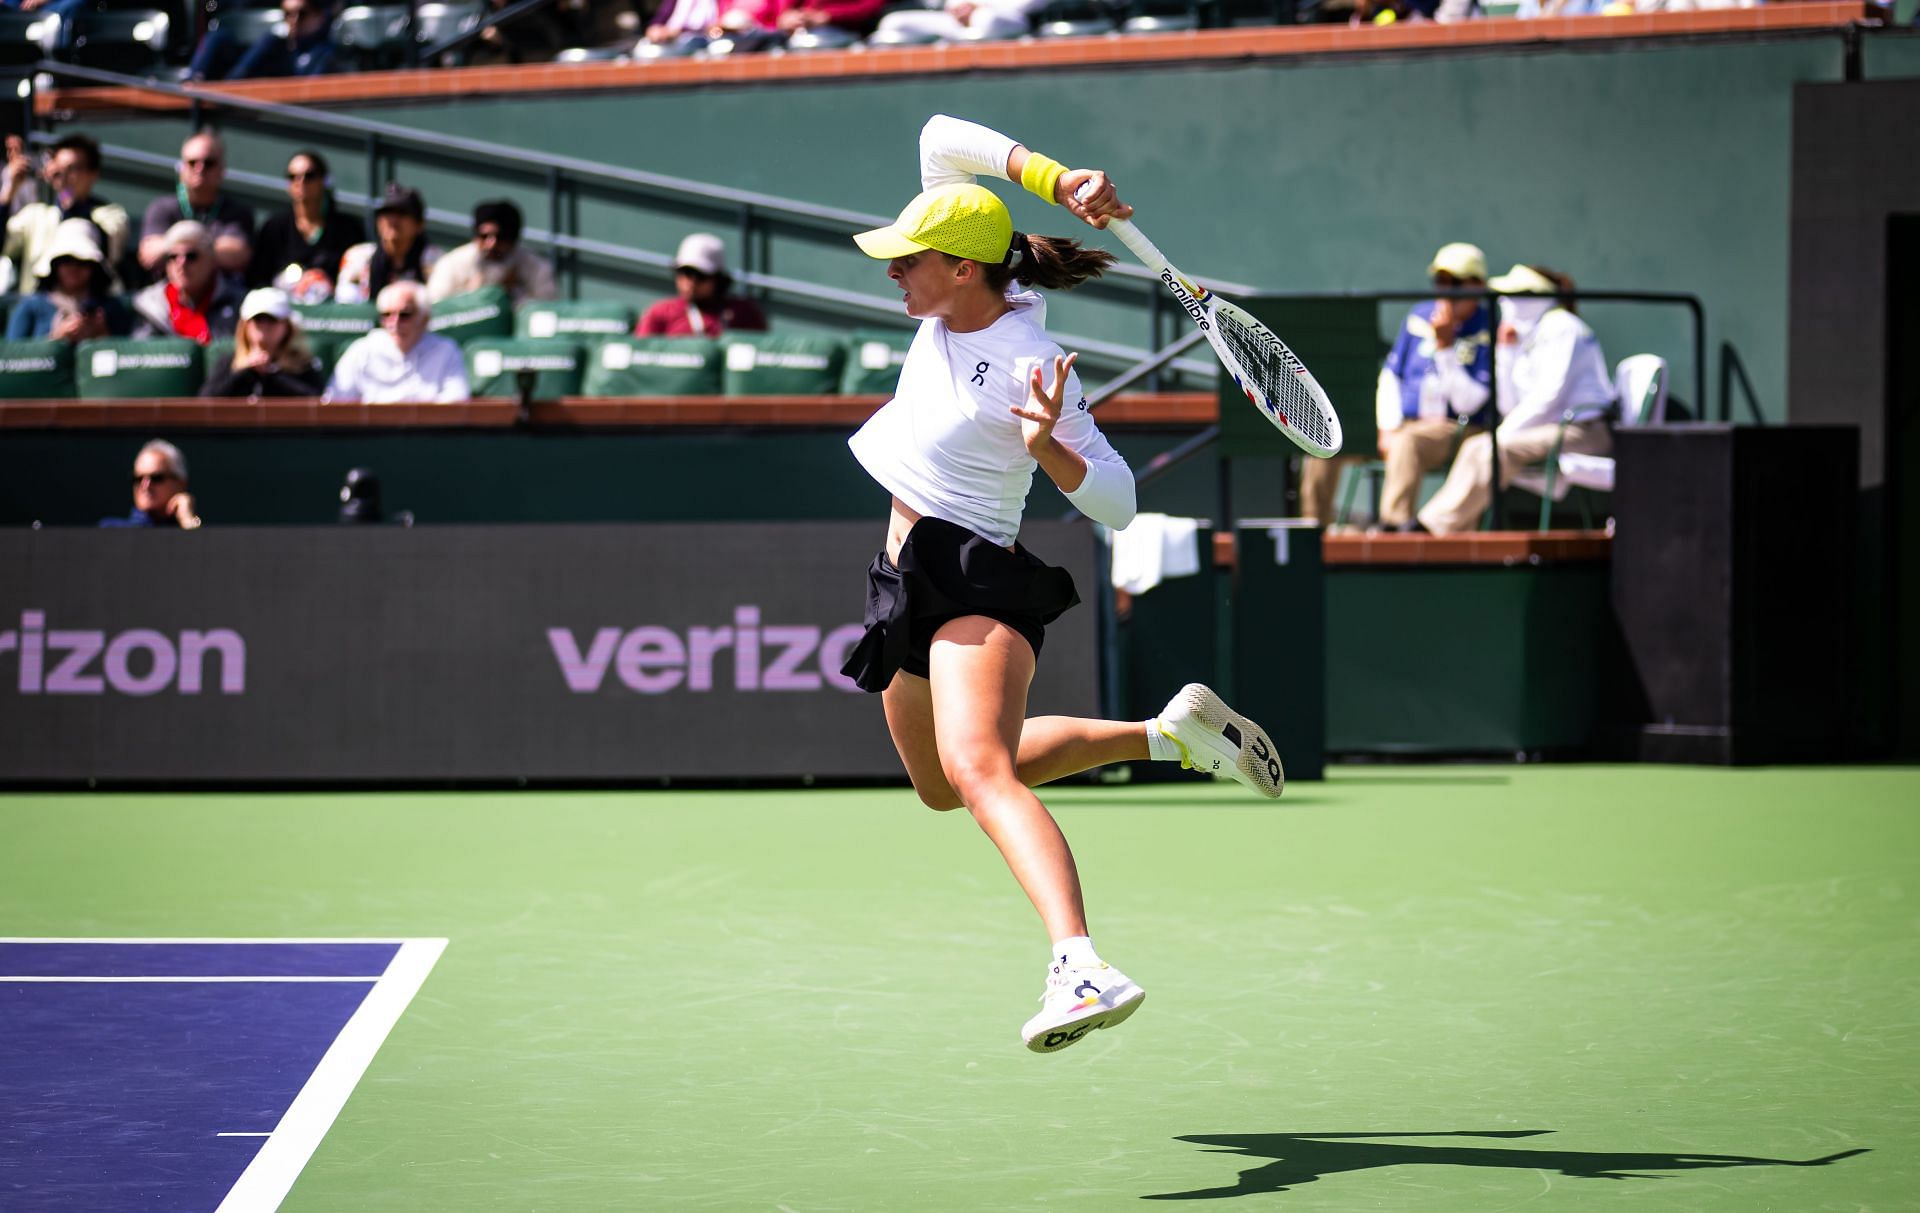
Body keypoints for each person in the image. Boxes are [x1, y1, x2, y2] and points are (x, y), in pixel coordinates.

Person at [841, 114, 1286, 1055]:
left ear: (964, 268)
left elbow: (1117, 501)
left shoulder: (1030, 363)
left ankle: (1079, 961)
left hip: (973, 579)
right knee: (940, 784)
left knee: (980, 770)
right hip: (901, 581)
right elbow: (936, 134)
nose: (892, 269)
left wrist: (1052, 452)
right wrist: (1056, 177)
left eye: (908, 258)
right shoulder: (949, 285)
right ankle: (1168, 737)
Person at [1301, 241, 1494, 530]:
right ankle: (1312, 531)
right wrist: (1388, 425)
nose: (1446, 291)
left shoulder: (1488, 326)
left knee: (1409, 441)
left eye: (1455, 282)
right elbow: (1391, 375)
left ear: (1477, 286)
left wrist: (1444, 347)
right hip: (1400, 424)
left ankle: (1393, 532)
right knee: (1327, 441)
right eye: (1440, 281)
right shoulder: (1419, 315)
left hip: (1455, 427)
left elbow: (1469, 402)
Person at [1416, 264, 1615, 535]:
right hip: (1548, 430)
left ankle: (1429, 529)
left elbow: (1548, 397)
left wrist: (1503, 434)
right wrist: (1506, 352)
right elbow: (1509, 405)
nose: (1505, 302)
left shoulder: (1563, 327)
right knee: (1477, 446)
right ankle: (1455, 533)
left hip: (1585, 432)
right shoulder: (1528, 334)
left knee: (1498, 449)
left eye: (1513, 294)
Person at [3, 132, 130, 295]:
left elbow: (106, 249)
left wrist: (67, 197)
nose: (63, 176)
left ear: (93, 173)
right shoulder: (35, 215)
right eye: (59, 168)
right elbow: (3, 246)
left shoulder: (111, 215)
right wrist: (10, 190)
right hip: (40, 311)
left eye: (72, 168)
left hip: (89, 311)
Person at [325, 281, 470, 403]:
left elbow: (457, 401)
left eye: (405, 315)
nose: (394, 323)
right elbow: (334, 402)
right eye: (387, 315)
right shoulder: (361, 351)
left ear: (424, 319)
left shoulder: (446, 350)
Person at [247, 150, 365, 299]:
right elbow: (258, 277)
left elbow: (357, 279)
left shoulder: (348, 228)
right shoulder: (274, 227)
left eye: (309, 176)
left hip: (333, 314)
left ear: (323, 181)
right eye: (293, 177)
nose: (301, 181)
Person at [140, 130, 254, 279]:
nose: (199, 169)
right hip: (165, 295)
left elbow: (238, 255)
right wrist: (207, 249)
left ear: (222, 169)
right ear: (181, 169)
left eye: (208, 163)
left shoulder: (238, 212)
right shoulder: (161, 207)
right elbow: (149, 255)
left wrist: (174, 245)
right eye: (192, 162)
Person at [5, 218, 133, 341]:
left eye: (83, 262)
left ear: (95, 267)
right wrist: (56, 339)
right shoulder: (31, 307)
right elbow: (11, 357)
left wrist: (103, 333)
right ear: (55, 265)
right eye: (66, 261)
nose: (74, 268)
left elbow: (128, 354)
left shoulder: (112, 308)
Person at [131, 221, 245, 343]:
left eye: (191, 256)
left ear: (211, 260)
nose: (181, 264)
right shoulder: (149, 306)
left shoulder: (240, 305)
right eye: (173, 256)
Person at [634, 233, 767, 338]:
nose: (690, 282)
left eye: (700, 275)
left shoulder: (744, 312)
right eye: (685, 273)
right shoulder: (660, 313)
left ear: (718, 279)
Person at [425, 199, 557, 305]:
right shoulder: (452, 264)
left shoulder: (536, 267)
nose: (491, 244)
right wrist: (474, 296)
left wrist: (513, 295)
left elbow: (546, 311)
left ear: (513, 239)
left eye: (500, 237)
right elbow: (435, 307)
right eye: (484, 236)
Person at [201, 288, 326, 398]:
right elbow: (207, 401)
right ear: (245, 325)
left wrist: (272, 375)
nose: (264, 325)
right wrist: (245, 372)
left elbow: (316, 401)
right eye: (258, 319)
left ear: (286, 326)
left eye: (271, 319)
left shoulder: (301, 364)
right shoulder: (229, 363)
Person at [334, 184, 442, 305]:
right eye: (387, 213)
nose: (393, 220)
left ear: (420, 224)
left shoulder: (436, 262)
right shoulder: (358, 257)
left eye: (403, 213)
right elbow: (346, 305)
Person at [187, 0, 337, 81]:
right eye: (287, 14)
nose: (294, 20)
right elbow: (235, 80)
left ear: (320, 17)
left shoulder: (327, 53)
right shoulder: (273, 46)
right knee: (217, 37)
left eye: (302, 14)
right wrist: (268, 43)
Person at [102, 439, 202, 529]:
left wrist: (187, 519)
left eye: (156, 478)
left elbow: (199, 547)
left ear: (180, 484)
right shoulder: (111, 529)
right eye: (138, 478)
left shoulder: (185, 527)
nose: (145, 486)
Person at [871, 0, 1043, 42]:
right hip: (958, 21)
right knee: (893, 23)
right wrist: (957, 6)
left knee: (986, 20)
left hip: (1010, 19)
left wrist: (977, 6)